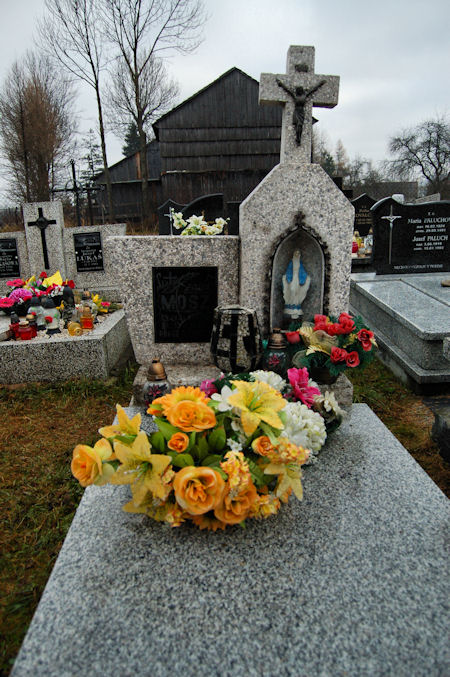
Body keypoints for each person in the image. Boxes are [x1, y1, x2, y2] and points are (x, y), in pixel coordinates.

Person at [276, 77, 326, 144]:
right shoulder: (295, 96)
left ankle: (298, 138)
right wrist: (281, 84)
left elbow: (313, 89)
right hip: (296, 111)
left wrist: (320, 84)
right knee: (298, 125)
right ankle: (297, 138)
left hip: (301, 111)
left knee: (300, 125)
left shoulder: (304, 96)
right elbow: (287, 90)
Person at [282, 249, 311, 321]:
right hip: (292, 279)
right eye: (296, 253)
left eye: (298, 254)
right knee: (292, 290)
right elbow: (289, 270)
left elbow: (302, 271)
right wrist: (288, 278)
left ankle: (296, 305)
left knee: (297, 292)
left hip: (298, 279)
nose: (297, 255)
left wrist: (304, 278)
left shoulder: (300, 263)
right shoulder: (291, 262)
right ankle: (291, 304)